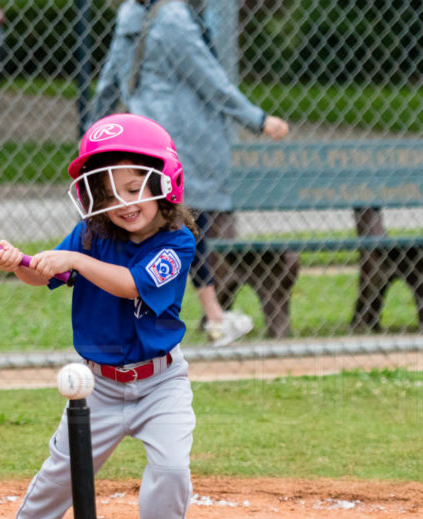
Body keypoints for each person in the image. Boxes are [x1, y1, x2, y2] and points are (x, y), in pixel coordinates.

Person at [0, 113, 199, 519]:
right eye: (110, 192)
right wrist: (21, 265)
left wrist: (71, 261)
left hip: (161, 383)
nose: (124, 203)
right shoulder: (90, 234)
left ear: (166, 182)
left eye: (136, 188)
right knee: (62, 472)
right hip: (98, 387)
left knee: (171, 468)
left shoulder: (177, 243)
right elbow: (41, 276)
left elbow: (130, 284)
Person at [91, 0, 290, 347]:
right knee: (185, 227)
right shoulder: (172, 17)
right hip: (179, 142)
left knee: (154, 228)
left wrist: (93, 133)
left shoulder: (131, 14)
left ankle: (192, 315)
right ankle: (212, 317)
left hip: (141, 139)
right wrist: (257, 119)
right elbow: (209, 79)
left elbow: (111, 78)